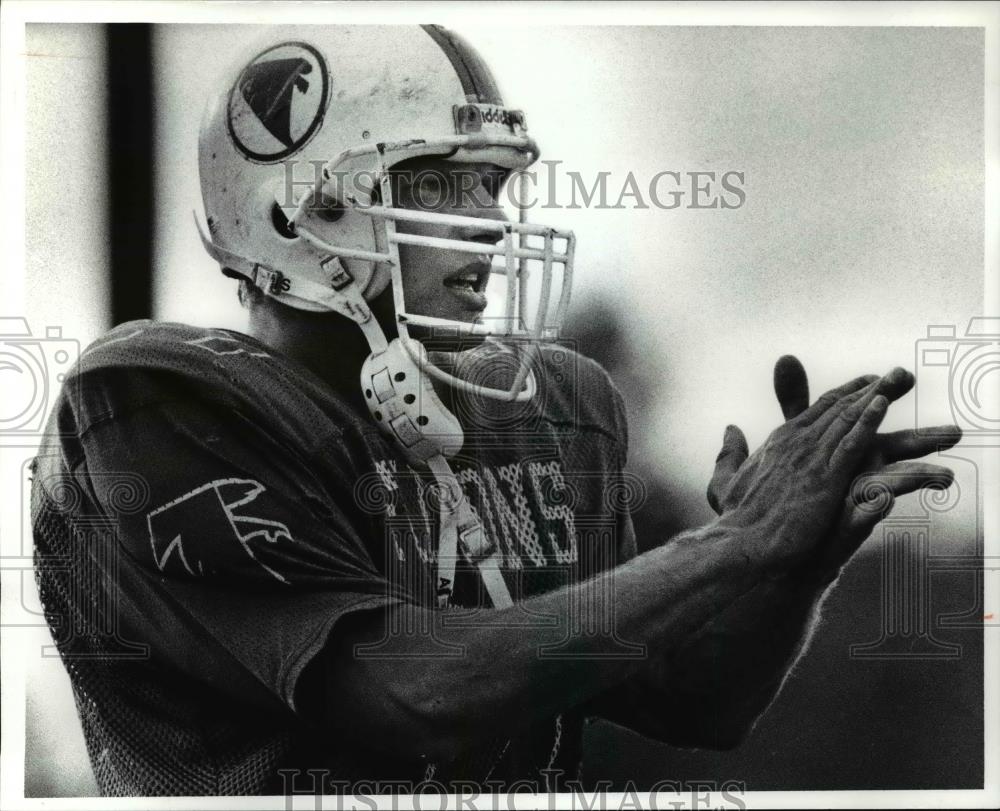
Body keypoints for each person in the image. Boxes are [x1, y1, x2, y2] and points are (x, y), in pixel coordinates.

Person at [31, 24, 961, 797]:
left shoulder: (549, 411)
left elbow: (696, 700)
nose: (491, 222)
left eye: (493, 186)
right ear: (292, 210)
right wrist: (729, 545)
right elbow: (413, 692)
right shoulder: (158, 408)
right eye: (439, 184)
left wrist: (790, 568)